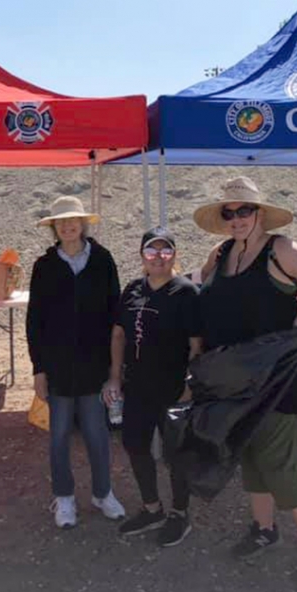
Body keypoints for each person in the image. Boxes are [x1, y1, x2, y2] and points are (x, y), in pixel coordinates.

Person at [195, 176, 297, 591]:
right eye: (229, 212)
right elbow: (198, 289)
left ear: (259, 214)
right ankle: (263, 529)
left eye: (244, 210)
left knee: (279, 462)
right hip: (236, 378)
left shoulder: (281, 249)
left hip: (279, 377)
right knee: (251, 454)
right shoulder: (221, 253)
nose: (236, 218)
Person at [26, 195, 126, 529]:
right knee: (59, 436)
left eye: (74, 220)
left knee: (98, 434)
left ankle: (102, 492)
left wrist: (115, 369)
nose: (68, 226)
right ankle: (64, 497)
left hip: (94, 366)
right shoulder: (44, 266)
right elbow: (34, 321)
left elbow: (116, 315)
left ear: (83, 224)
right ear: (54, 228)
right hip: (57, 368)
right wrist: (38, 369)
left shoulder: (103, 260)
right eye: (61, 222)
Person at [104, 227, 203, 547]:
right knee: (135, 444)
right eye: (151, 251)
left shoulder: (186, 292)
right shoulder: (133, 289)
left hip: (174, 387)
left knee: (176, 453)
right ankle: (152, 508)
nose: (158, 258)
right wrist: (115, 376)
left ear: (175, 255)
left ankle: (179, 512)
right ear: (141, 256)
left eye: (165, 251)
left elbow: (196, 343)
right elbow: (119, 334)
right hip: (137, 386)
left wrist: (191, 384)